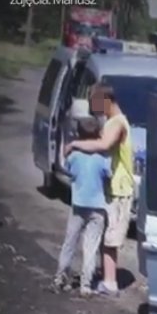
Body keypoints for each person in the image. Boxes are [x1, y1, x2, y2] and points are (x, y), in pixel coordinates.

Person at [65, 82, 135, 296]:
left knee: (110, 238)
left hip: (120, 188)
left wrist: (75, 145)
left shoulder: (116, 123)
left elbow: (103, 145)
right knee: (106, 235)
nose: (94, 108)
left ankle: (110, 282)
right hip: (114, 186)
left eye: (96, 103)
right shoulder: (114, 122)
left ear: (107, 101)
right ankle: (105, 277)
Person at [54, 117, 112, 296]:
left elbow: (68, 169)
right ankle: (86, 285)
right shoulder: (103, 159)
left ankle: (60, 278)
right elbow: (107, 177)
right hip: (98, 207)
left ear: (78, 134)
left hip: (78, 205)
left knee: (69, 242)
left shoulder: (74, 156)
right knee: (91, 246)